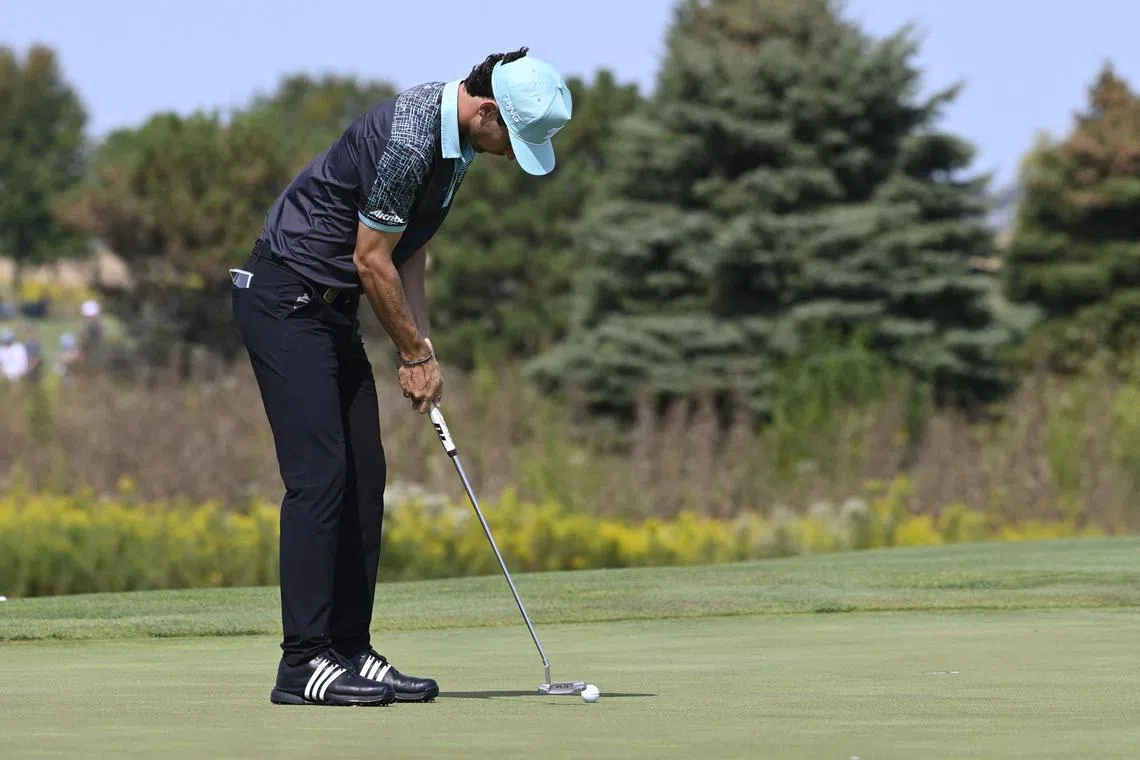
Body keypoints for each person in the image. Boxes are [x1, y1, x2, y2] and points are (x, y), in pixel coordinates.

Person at [230, 48, 572, 707]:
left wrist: (422, 343)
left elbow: (408, 251)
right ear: (488, 112)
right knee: (319, 480)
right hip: (282, 300)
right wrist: (412, 356)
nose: (510, 154)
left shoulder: (456, 147)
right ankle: (303, 664)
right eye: (514, 139)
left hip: (329, 311)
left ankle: (349, 651)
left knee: (364, 480)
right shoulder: (411, 137)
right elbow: (370, 259)